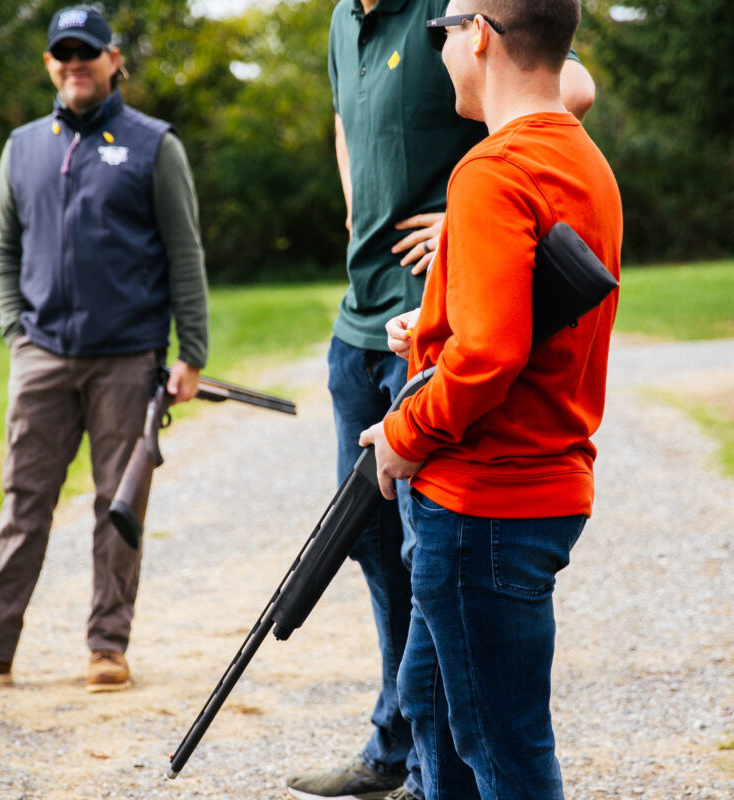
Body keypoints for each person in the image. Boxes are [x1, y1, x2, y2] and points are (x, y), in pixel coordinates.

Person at [286, 2, 595, 800]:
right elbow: (516, 321)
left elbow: (491, 354)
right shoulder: (578, 156)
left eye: (447, 33)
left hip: (484, 497)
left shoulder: (488, 173)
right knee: (445, 709)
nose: (441, 45)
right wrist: (426, 332)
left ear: (481, 36)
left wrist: (400, 433)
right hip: (542, 486)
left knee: (501, 750)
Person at [0, 5, 208, 694]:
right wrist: (15, 334)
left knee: (117, 507)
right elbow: (3, 249)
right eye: (64, 53)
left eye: (88, 51)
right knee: (21, 505)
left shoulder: (154, 145)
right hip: (42, 357)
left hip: (128, 359)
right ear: (50, 63)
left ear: (114, 59)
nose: (75, 63)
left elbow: (185, 255)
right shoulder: (22, 146)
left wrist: (190, 352)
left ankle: (106, 646)